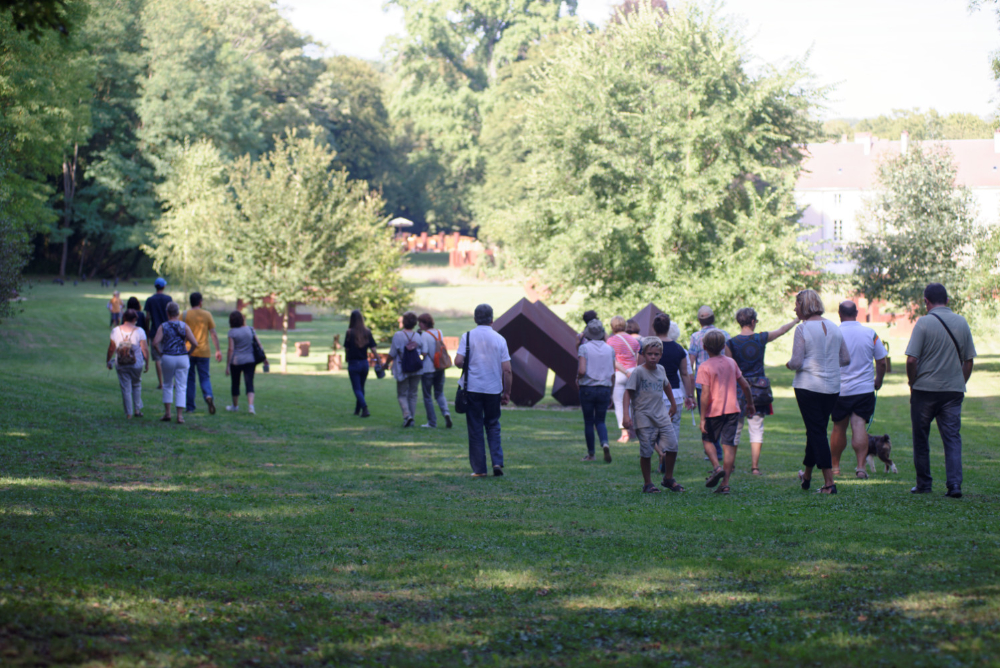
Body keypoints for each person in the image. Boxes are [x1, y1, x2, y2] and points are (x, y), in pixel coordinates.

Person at [905, 283, 976, 498]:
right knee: (952, 439)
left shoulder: (923, 323)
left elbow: (911, 360)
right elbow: (969, 360)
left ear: (926, 301)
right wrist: (959, 382)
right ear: (947, 300)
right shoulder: (962, 322)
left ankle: (924, 484)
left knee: (921, 437)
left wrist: (912, 383)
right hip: (952, 392)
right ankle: (954, 485)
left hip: (924, 390)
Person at [786, 289, 851, 495]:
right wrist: (828, 361)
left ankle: (829, 483)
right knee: (815, 430)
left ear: (804, 305)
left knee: (817, 431)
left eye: (796, 304)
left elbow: (797, 362)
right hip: (831, 387)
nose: (794, 308)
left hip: (808, 386)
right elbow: (846, 359)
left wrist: (788, 364)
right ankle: (806, 476)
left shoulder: (802, 329)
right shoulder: (834, 327)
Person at [724, 308, 798, 475]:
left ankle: (731, 465)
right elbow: (781, 331)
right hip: (759, 389)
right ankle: (755, 467)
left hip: (738, 389)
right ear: (752, 322)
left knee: (735, 428)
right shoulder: (761, 338)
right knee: (756, 427)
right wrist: (795, 320)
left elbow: (729, 368)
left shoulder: (730, 343)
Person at [830, 301, 887, 478]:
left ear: (839, 314)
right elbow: (882, 361)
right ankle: (861, 467)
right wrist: (878, 379)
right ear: (857, 313)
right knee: (859, 425)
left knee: (839, 427)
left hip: (839, 389)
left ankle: (835, 467)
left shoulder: (833, 333)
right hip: (864, 389)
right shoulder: (870, 333)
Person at [454, 304, 512, 477]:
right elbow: (507, 370)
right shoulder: (500, 339)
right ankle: (497, 462)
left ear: (475, 319)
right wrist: (507, 392)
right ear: (492, 319)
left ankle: (479, 469)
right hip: (493, 389)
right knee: (493, 425)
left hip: (473, 388)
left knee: (475, 428)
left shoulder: (468, 336)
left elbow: (457, 361)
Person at [697, 331, 755, 495]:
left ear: (704, 347)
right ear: (723, 346)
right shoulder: (731, 362)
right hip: (732, 410)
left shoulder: (705, 366)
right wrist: (750, 404)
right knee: (728, 445)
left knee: (708, 440)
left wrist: (702, 418)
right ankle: (725, 483)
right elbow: (745, 385)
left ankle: (716, 467)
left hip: (713, 411)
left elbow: (705, 394)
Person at [622, 337, 679, 493]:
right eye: (649, 354)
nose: (653, 357)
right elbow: (627, 393)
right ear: (644, 354)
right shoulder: (638, 372)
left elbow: (666, 385)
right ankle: (648, 483)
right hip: (643, 416)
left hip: (661, 414)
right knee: (646, 451)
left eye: (656, 354)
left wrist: (673, 404)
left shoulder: (661, 369)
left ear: (661, 354)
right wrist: (626, 415)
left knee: (673, 446)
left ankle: (668, 478)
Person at [689, 306, 730, 461]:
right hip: (722, 383)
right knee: (721, 415)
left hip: (702, 384)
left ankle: (713, 450)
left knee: (706, 417)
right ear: (713, 318)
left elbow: (690, 363)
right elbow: (730, 357)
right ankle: (719, 449)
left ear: (699, 320)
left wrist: (690, 389)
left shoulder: (695, 336)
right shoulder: (724, 334)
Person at [652, 314, 695, 451]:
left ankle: (660, 455)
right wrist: (689, 395)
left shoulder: (648, 348)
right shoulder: (679, 349)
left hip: (652, 393)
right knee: (672, 427)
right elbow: (684, 374)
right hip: (674, 394)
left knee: (652, 428)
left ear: (654, 328)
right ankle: (668, 456)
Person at [576, 318, 616, 463]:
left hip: (587, 388)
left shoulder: (584, 348)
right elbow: (613, 373)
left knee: (588, 421)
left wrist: (577, 378)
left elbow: (581, 370)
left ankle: (591, 454)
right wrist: (611, 392)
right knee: (600, 420)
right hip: (605, 388)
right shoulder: (610, 349)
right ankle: (604, 442)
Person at [153, 301, 199, 424]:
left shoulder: (163, 326)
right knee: (181, 386)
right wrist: (189, 353)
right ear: (178, 313)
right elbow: (195, 343)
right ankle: (179, 416)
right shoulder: (184, 326)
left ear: (167, 313)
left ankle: (167, 413)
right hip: (182, 357)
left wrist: (161, 353)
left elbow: (155, 342)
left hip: (168, 357)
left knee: (167, 385)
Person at [182, 292, 222, 415]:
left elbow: (180, 331)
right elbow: (213, 333)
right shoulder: (207, 314)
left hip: (189, 352)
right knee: (204, 377)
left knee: (190, 379)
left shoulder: (184, 315)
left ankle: (190, 407)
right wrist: (218, 350)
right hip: (204, 352)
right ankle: (208, 395)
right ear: (200, 302)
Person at [106, 309, 149, 419]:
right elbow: (144, 349)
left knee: (125, 388)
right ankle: (137, 410)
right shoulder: (140, 331)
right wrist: (147, 362)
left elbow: (111, 348)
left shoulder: (115, 331)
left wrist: (108, 360)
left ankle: (129, 413)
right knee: (136, 385)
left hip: (121, 363)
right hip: (137, 363)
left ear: (124, 318)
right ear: (135, 319)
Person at [387, 311, 424, 427]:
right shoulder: (418, 336)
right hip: (417, 368)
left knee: (402, 394)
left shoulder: (398, 335)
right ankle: (411, 419)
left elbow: (392, 353)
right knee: (413, 394)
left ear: (403, 322)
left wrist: (385, 364)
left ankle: (407, 415)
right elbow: (422, 351)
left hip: (402, 368)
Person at [608, 315, 641, 443]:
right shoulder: (634, 341)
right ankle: (635, 431)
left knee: (619, 404)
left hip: (621, 374)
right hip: (634, 372)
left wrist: (625, 371)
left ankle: (624, 433)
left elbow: (613, 360)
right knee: (635, 403)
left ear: (612, 326)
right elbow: (638, 359)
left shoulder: (611, 341)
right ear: (625, 326)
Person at [225, 310, 264, 415]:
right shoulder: (250, 329)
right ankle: (251, 407)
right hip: (250, 360)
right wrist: (265, 358)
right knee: (249, 383)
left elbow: (231, 349)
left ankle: (235, 406)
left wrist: (227, 365)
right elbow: (259, 344)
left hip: (236, 361)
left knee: (235, 383)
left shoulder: (232, 332)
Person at [417, 313, 452, 428]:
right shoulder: (439, 332)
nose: (419, 325)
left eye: (420, 322)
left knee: (427, 397)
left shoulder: (424, 336)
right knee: (439, 393)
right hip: (440, 367)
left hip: (428, 369)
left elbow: (424, 352)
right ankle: (446, 413)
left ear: (424, 323)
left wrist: (418, 356)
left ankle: (432, 422)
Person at [344, 310, 377, 418]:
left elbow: (347, 348)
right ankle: (357, 410)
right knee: (361, 387)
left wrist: (346, 358)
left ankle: (365, 408)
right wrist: (379, 360)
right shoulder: (367, 332)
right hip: (364, 363)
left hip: (353, 363)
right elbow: (373, 348)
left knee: (357, 388)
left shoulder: (350, 332)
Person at [143, 278, 172, 390]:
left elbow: (147, 317)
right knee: (168, 356)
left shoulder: (150, 300)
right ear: (163, 287)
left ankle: (161, 383)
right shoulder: (168, 299)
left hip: (155, 331)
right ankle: (169, 382)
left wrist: (147, 330)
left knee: (158, 358)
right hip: (168, 331)